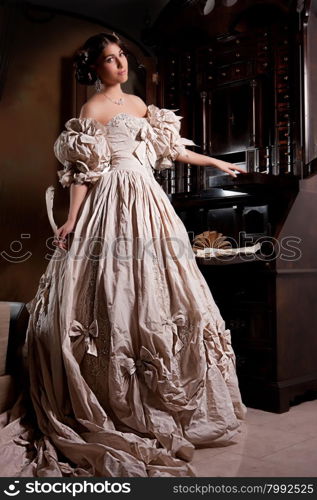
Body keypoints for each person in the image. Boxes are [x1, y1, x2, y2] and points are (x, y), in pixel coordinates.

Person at [0, 32, 247, 477]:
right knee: (114, 289)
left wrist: (215, 163)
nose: (120, 65)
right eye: (110, 60)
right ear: (95, 68)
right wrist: (72, 219)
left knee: (161, 288)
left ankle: (166, 400)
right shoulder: (90, 110)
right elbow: (82, 171)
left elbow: (173, 149)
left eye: (122, 58)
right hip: (109, 199)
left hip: (148, 201)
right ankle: (117, 401)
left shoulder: (140, 106)